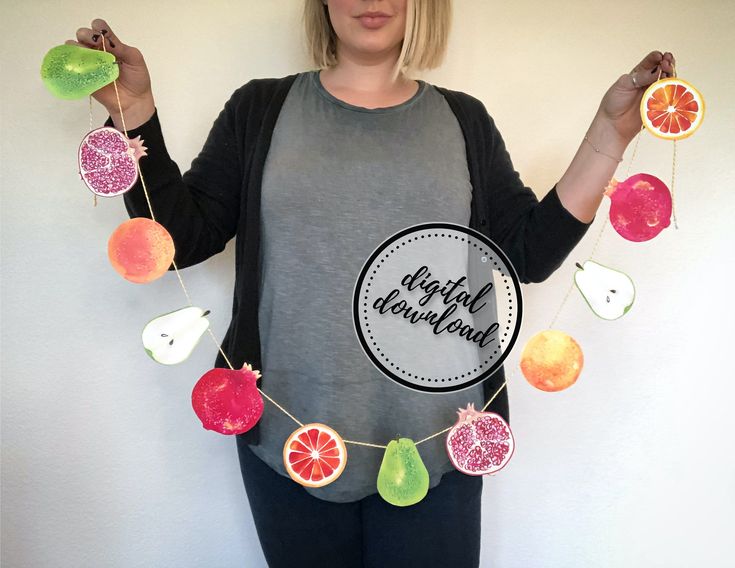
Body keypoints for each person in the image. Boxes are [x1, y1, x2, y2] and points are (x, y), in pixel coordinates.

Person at [68, 2, 675, 566]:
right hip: (287, 441)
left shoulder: (462, 119)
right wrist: (134, 113)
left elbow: (527, 253)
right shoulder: (259, 110)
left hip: (445, 438)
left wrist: (611, 133)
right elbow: (180, 238)